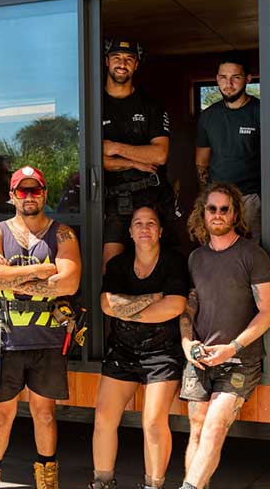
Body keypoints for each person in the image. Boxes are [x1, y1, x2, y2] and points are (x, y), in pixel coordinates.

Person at [0, 165, 82, 489]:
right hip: (5, 339)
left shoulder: (62, 233)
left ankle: (47, 482)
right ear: (12, 196)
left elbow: (69, 282)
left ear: (45, 194)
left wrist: (10, 278)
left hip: (47, 339)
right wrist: (42, 270)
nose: (30, 196)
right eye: (23, 191)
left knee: (45, 415)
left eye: (36, 190)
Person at [178, 182, 270, 489]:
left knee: (214, 427)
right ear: (203, 213)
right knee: (196, 427)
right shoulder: (196, 258)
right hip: (200, 358)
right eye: (212, 209)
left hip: (239, 361)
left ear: (235, 214)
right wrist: (186, 344)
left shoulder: (252, 255)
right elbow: (188, 310)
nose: (218, 215)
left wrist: (232, 347)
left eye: (225, 209)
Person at [90, 205, 189, 489]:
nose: (144, 228)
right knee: (104, 418)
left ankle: (153, 485)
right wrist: (153, 298)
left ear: (160, 230)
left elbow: (175, 305)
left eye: (151, 223)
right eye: (138, 224)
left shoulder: (174, 261)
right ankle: (102, 482)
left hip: (162, 351)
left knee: (154, 422)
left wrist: (129, 309)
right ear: (130, 232)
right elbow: (107, 304)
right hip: (123, 349)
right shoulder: (120, 264)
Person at [102, 39, 176, 269]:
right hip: (112, 199)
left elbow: (160, 155)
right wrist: (136, 162)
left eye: (129, 59)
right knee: (111, 269)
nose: (122, 64)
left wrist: (115, 147)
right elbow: (96, 161)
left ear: (136, 66)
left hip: (151, 195)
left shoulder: (151, 105)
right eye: (116, 58)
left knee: (156, 265)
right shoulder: (93, 105)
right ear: (107, 62)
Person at [195, 51, 262, 242]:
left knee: (250, 250)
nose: (228, 84)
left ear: (248, 79)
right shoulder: (208, 116)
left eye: (235, 77)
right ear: (217, 78)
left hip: (250, 198)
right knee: (216, 250)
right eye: (223, 78)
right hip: (217, 199)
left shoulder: (261, 112)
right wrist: (207, 196)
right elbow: (201, 161)